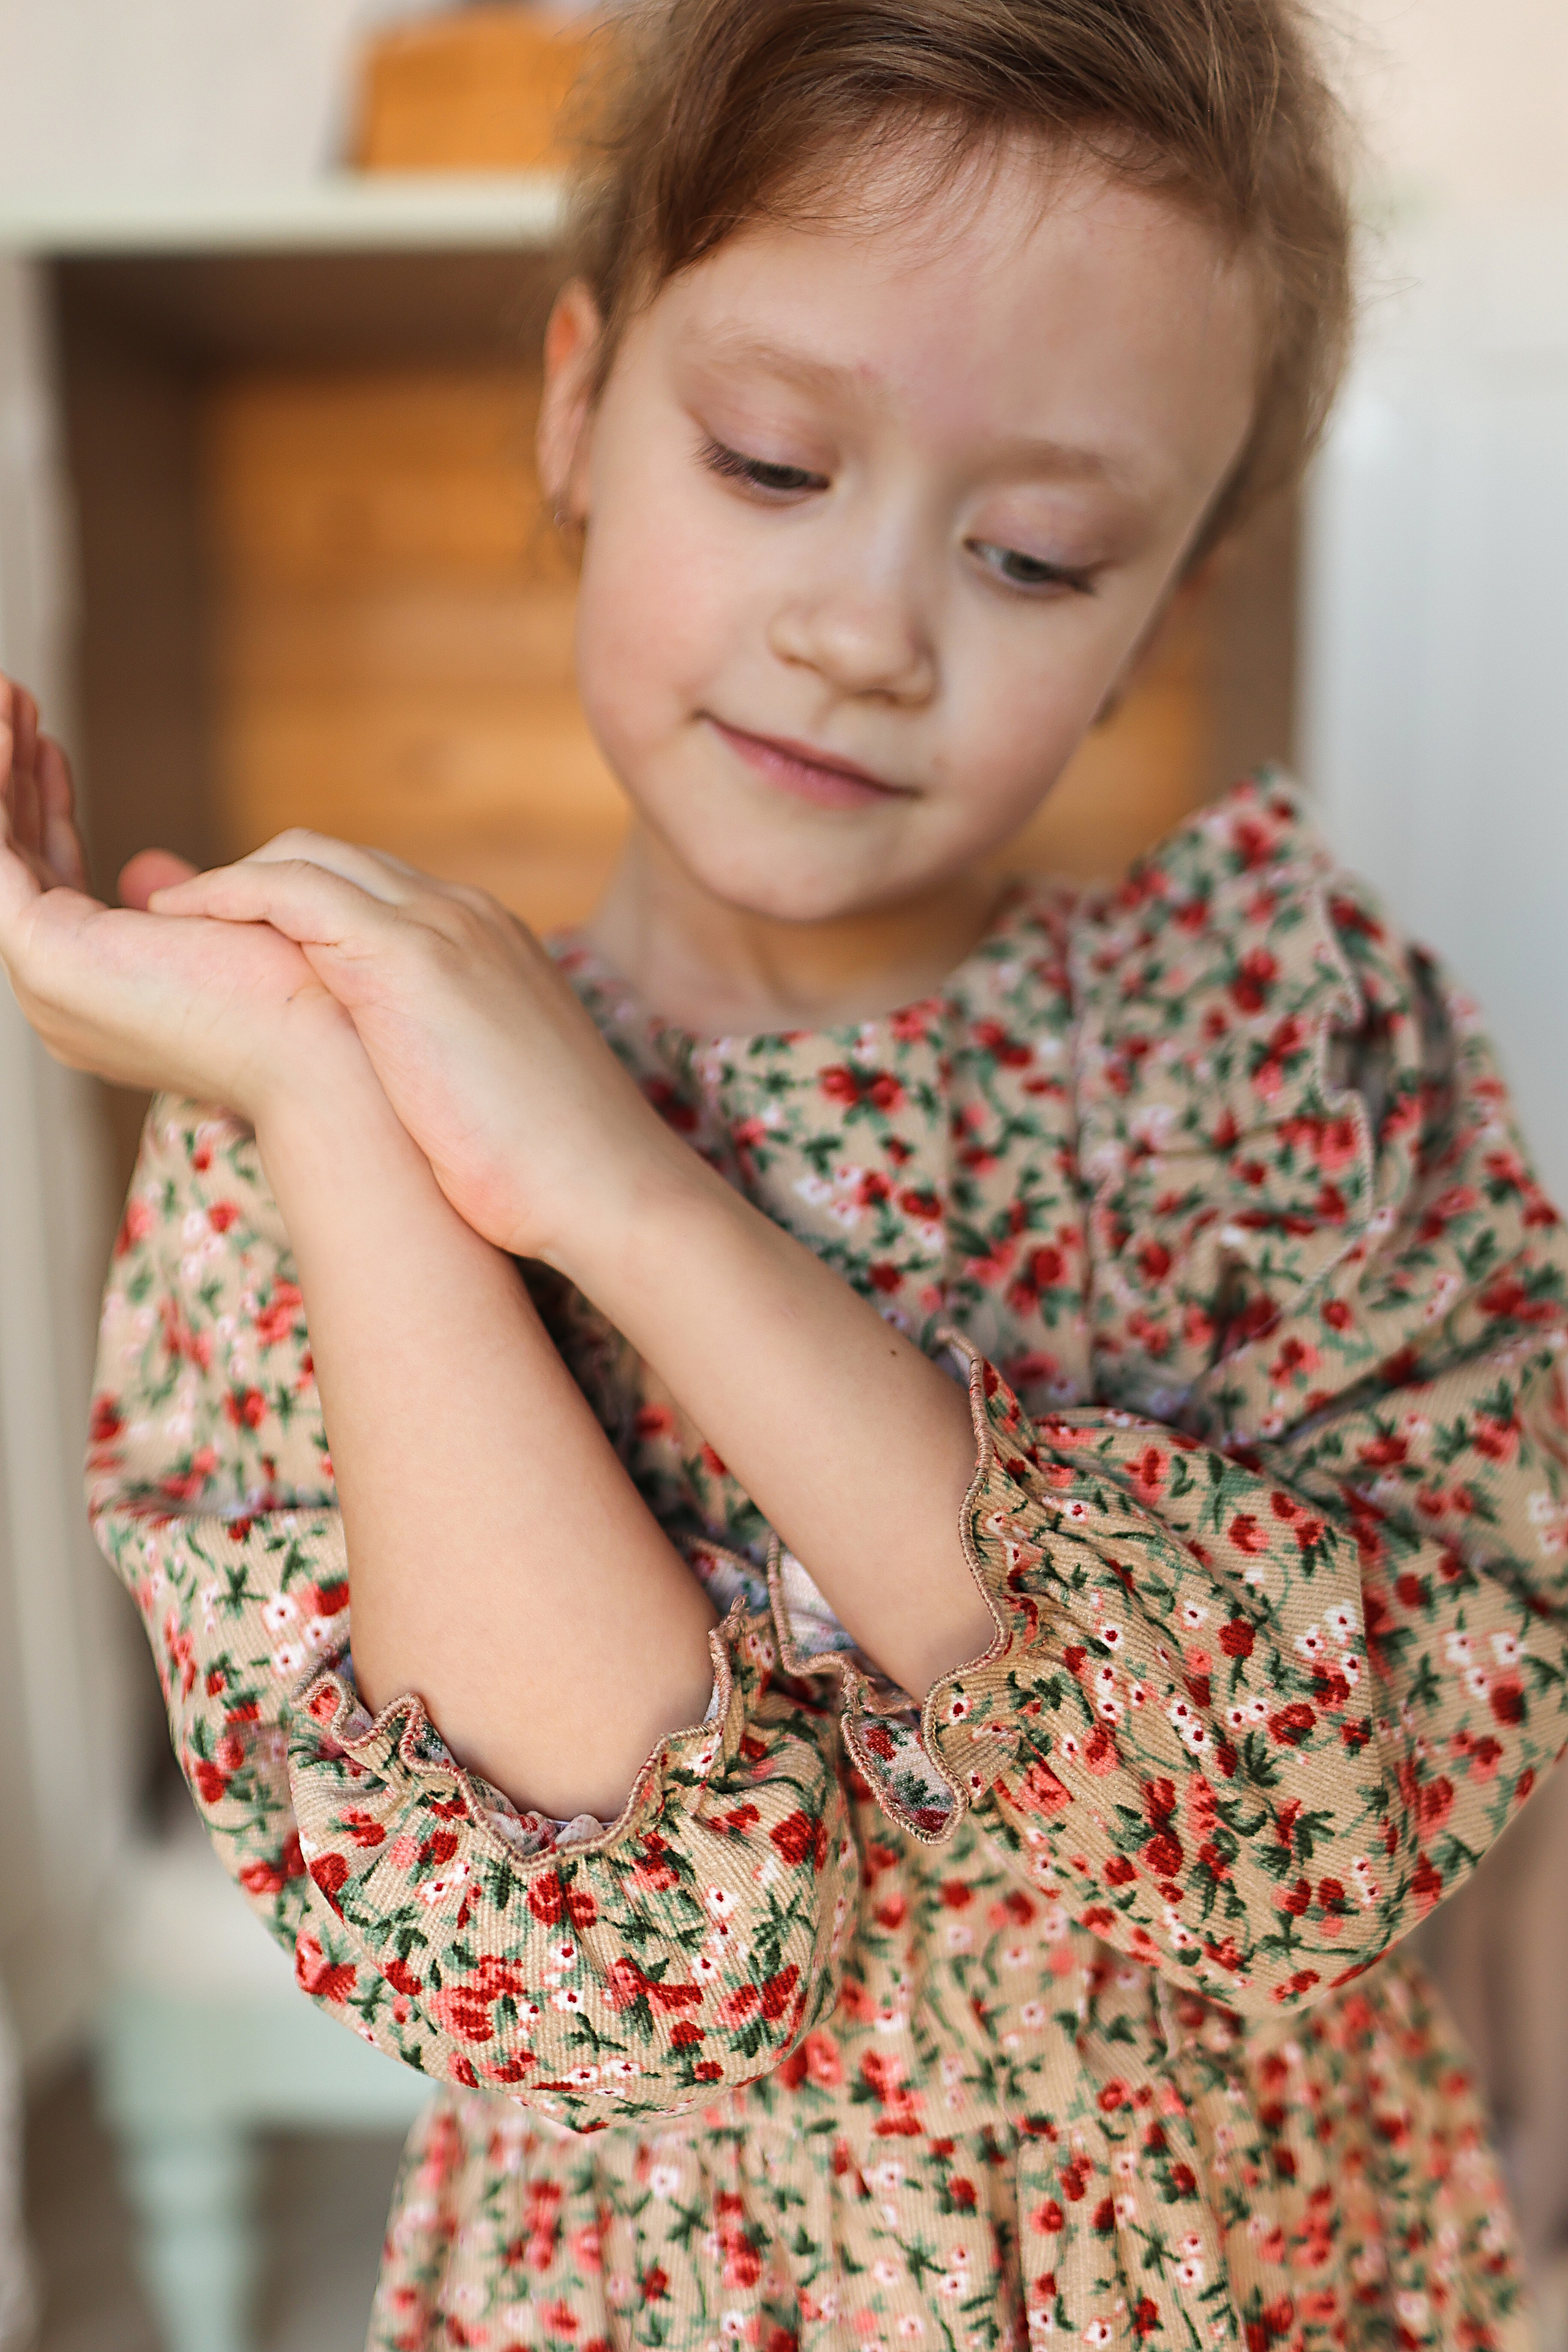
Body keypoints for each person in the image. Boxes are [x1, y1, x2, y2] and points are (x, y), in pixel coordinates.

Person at [2, 0, 1566, 2343]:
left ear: (1172, 607)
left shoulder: (1307, 1052)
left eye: (1036, 557)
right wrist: (350, 1121)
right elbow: (606, 1984)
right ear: (576, 406)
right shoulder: (306, 1147)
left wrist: (626, 1200)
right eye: (765, 462)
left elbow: (1315, 1818)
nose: (863, 632)